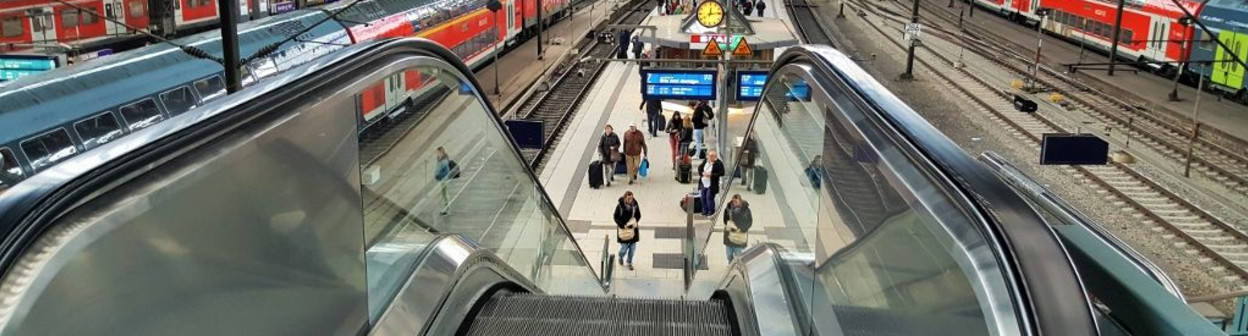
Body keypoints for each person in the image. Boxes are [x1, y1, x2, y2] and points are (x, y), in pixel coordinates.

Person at [614, 191, 641, 270]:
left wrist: (634, 222)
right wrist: (622, 225)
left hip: (633, 230)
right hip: (623, 230)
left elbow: (638, 215)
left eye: (631, 199)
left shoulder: (635, 205)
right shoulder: (620, 206)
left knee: (632, 249)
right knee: (624, 249)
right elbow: (615, 217)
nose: (630, 200)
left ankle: (629, 262)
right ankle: (620, 256)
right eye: (629, 199)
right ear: (625, 198)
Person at [722, 194, 753, 262]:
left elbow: (749, 222)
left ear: (740, 201)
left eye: (736, 202)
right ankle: (731, 265)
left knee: (739, 256)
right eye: (733, 202)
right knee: (729, 255)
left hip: (740, 237)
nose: (734, 203)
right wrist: (730, 225)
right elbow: (725, 221)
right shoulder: (728, 209)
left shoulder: (746, 210)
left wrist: (742, 228)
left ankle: (736, 267)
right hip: (729, 237)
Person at [697, 150, 725, 217]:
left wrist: (711, 174)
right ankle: (704, 211)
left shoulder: (718, 163)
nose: (710, 157)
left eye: (712, 156)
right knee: (703, 197)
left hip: (712, 184)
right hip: (704, 182)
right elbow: (700, 168)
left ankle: (711, 211)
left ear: (715, 156)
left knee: (709, 197)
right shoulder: (705, 161)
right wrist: (702, 173)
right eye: (709, 156)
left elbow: (722, 173)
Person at [434, 147, 457, 215]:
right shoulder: (440, 159)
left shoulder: (444, 161)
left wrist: (440, 175)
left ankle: (447, 209)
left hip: (444, 179)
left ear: (441, 152)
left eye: (437, 152)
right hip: (442, 179)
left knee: (445, 193)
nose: (436, 153)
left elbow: (446, 171)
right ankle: (446, 208)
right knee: (444, 194)